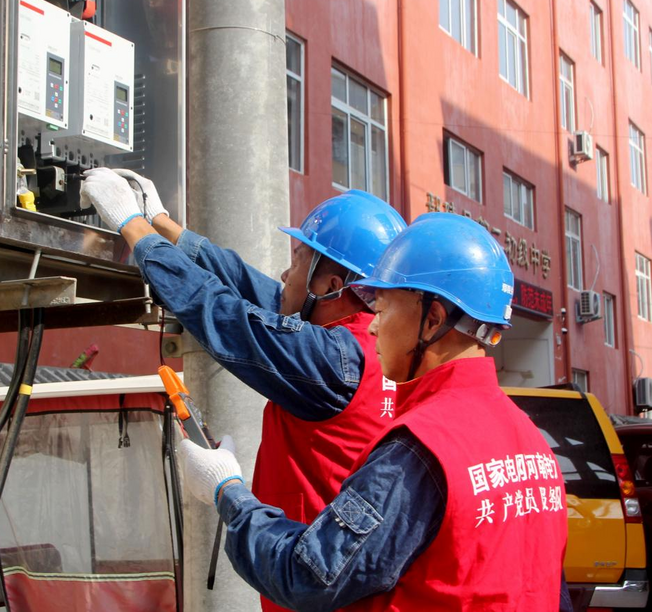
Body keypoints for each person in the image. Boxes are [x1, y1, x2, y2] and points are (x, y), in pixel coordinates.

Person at [179, 213, 569, 611]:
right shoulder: (533, 444)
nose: (370, 327)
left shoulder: (419, 450)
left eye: (382, 310)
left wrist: (226, 490)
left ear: (431, 319)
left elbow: (310, 575)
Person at [79, 168, 405, 611]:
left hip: (315, 590)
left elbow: (225, 315)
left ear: (331, 286)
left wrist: (130, 225)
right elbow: (264, 294)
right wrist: (162, 224)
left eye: (297, 259)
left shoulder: (332, 361)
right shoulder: (369, 343)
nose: (285, 272)